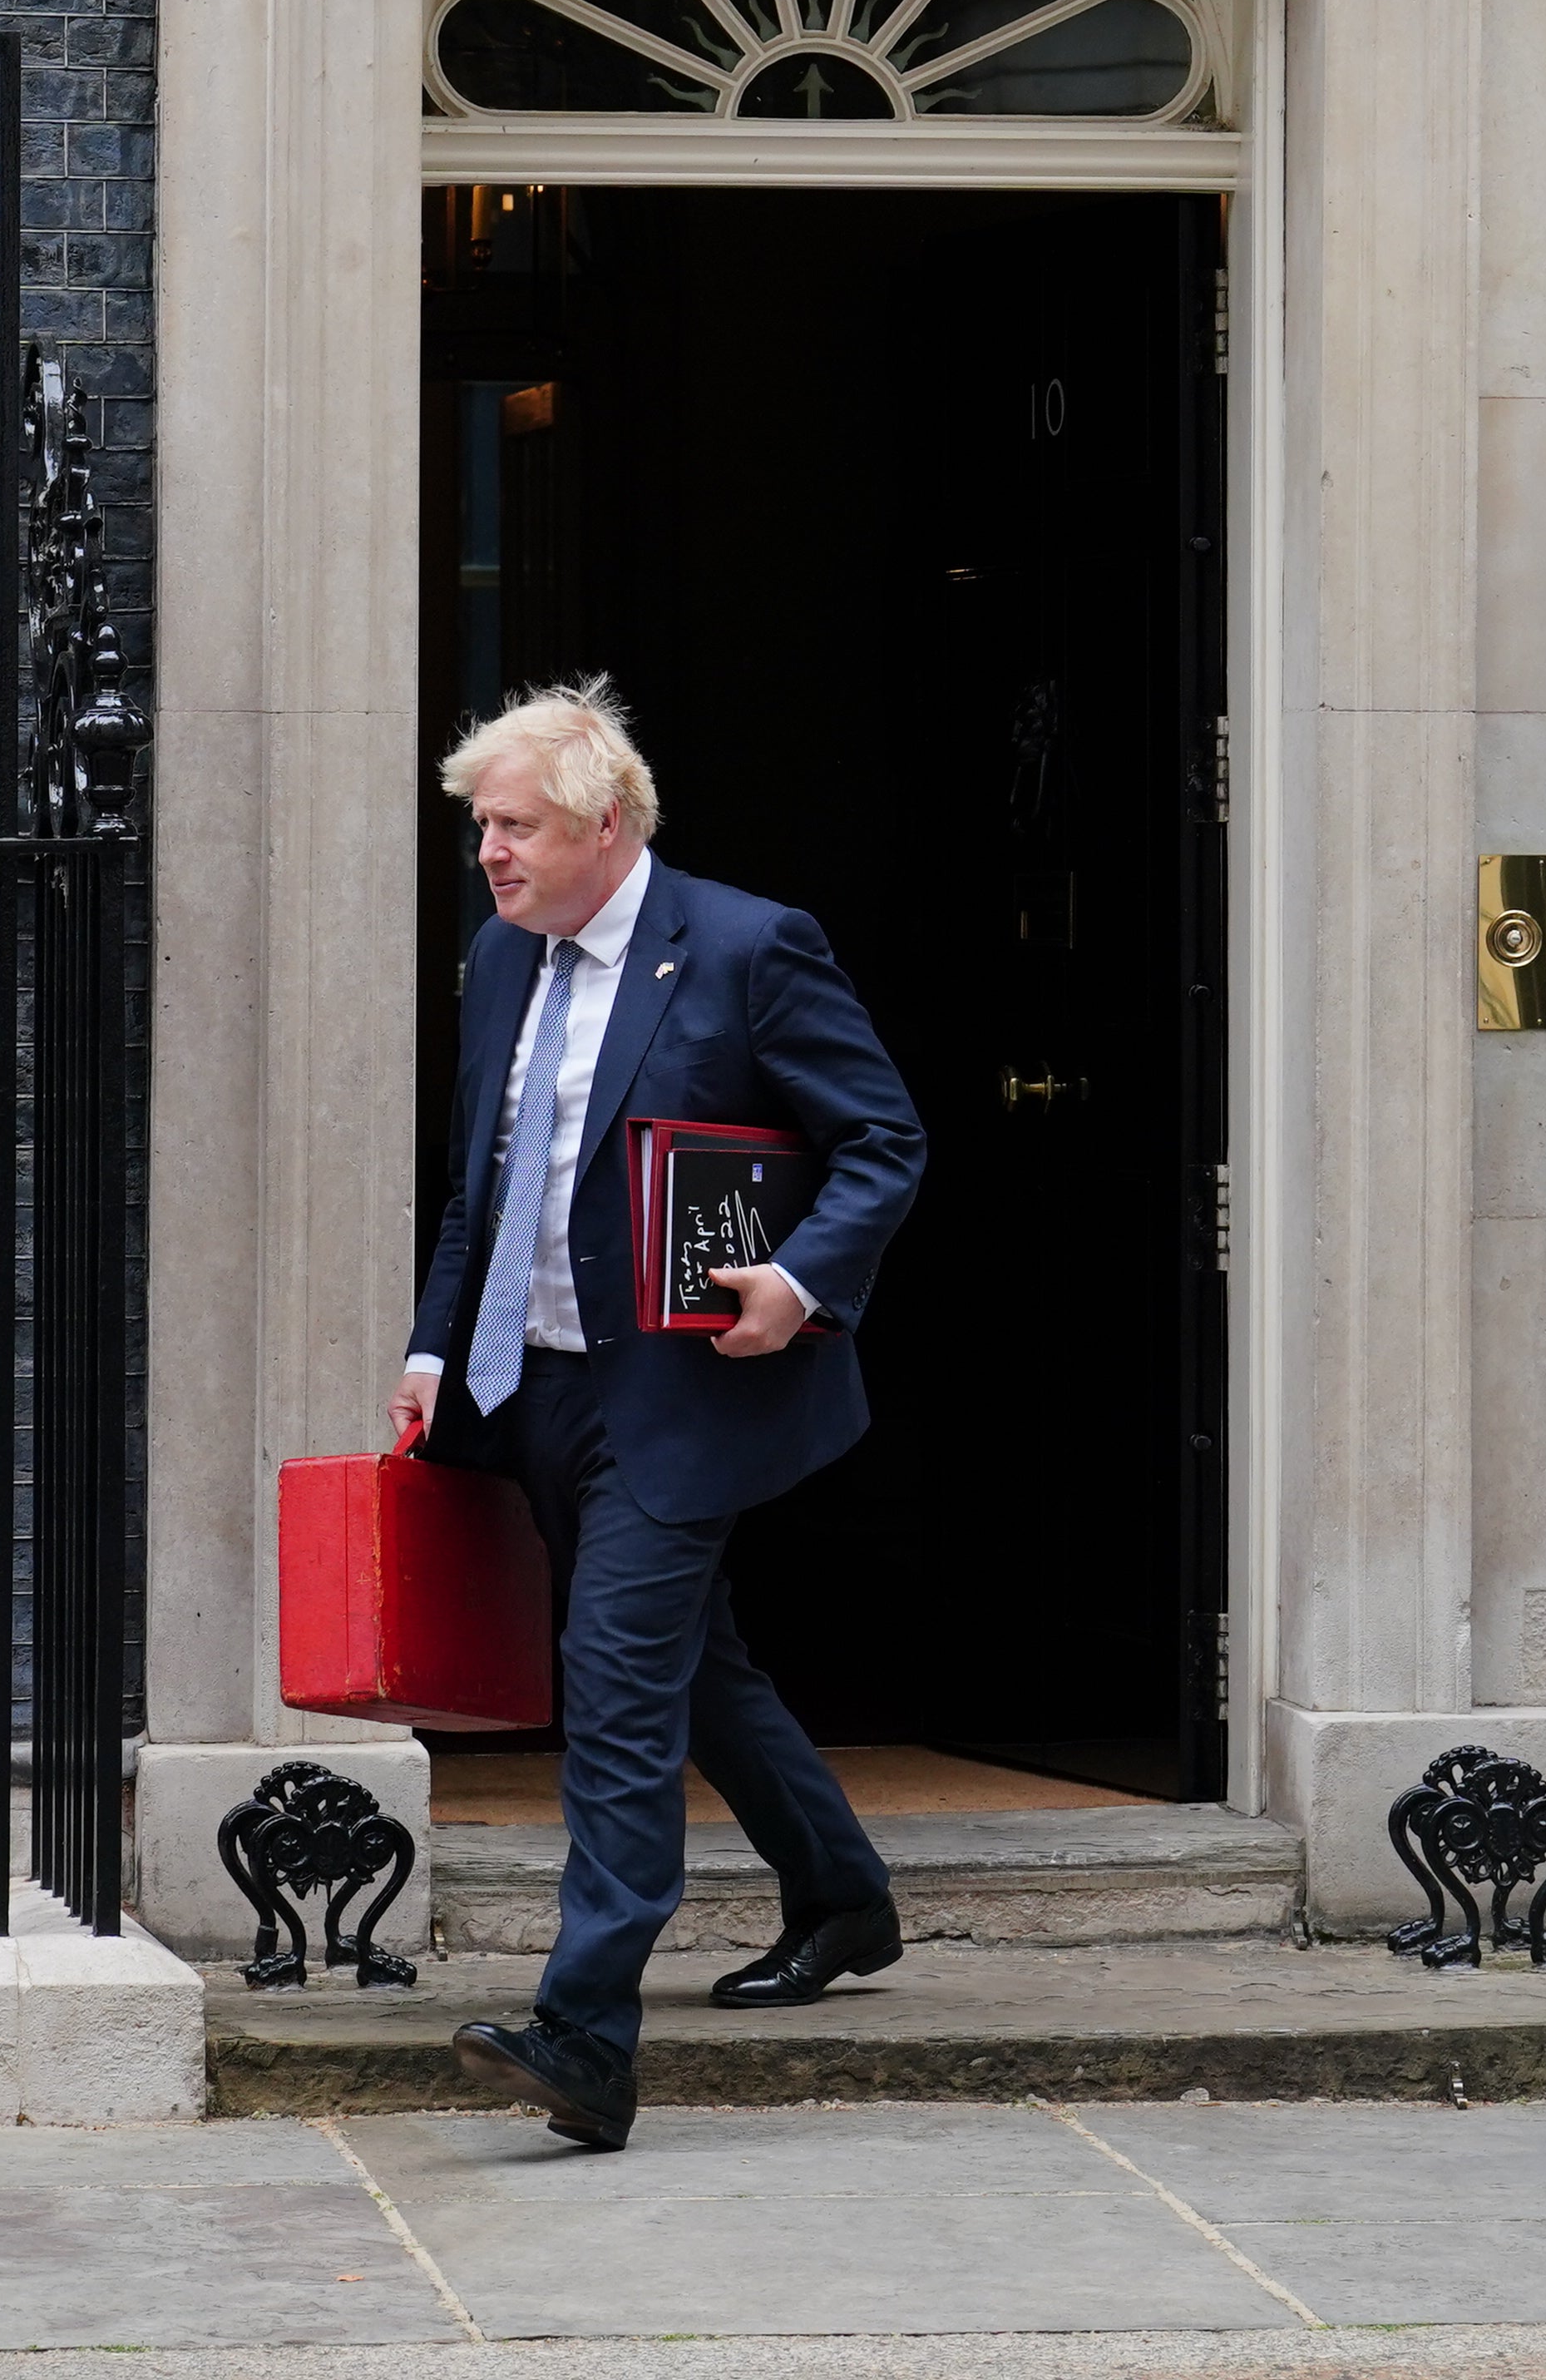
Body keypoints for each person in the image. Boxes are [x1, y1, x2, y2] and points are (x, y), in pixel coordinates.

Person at [393, 680, 926, 2152]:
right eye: (481, 828)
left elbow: (883, 1139)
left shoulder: (750, 948)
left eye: (516, 827)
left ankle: (586, 2037)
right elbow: (479, 1191)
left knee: (616, 1693)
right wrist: (438, 1352)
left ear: (605, 824)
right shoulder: (505, 959)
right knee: (696, 1668)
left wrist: (804, 1284)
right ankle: (841, 1896)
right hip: (535, 1385)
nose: (490, 855)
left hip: (683, 1394)